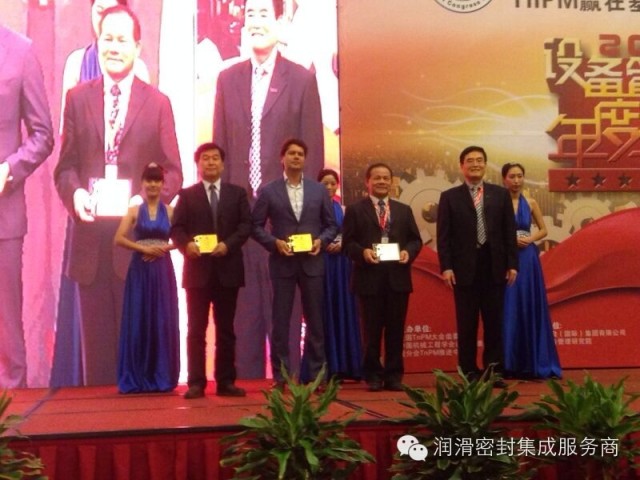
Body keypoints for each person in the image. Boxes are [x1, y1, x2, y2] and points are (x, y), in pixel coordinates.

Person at [54, 5, 183, 386]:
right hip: (90, 249)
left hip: (137, 249)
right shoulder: (77, 99)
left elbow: (173, 171)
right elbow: (65, 167)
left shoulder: (157, 103)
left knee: (137, 364)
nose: (113, 47)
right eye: (107, 38)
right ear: (98, 42)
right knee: (98, 370)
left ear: (137, 47)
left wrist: (145, 201)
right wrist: (75, 194)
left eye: (122, 40)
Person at [213, 0, 324, 379]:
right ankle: (241, 398)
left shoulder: (302, 79)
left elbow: (312, 152)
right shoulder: (227, 79)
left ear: (280, 21)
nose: (255, 22)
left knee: (286, 317)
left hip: (286, 223)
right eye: (250, 14)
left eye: (263, 14)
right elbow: (219, 153)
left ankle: (289, 394)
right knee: (242, 318)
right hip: (241, 223)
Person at [251, 139, 337, 388]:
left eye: (300, 153)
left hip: (312, 262)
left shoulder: (318, 190)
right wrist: (274, 243)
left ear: (305, 159)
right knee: (280, 321)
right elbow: (255, 226)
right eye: (291, 153)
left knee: (315, 321)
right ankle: (281, 376)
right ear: (283, 158)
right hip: (282, 263)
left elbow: (331, 225)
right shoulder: (269, 190)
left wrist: (321, 241)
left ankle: (317, 375)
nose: (296, 157)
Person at [171, 143, 251, 398]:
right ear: (198, 164)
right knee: (196, 329)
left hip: (228, 270)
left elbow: (245, 226)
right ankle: (196, 382)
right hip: (197, 271)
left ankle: (226, 381)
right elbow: (177, 228)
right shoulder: (187, 195)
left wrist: (228, 245)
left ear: (223, 164)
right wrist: (187, 245)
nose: (211, 162)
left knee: (226, 329)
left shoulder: (237, 194)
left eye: (215, 158)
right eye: (205, 158)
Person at [0, 25, 54, 388]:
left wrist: (8, 169)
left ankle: (10, 410)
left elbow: (43, 134)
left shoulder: (20, 50)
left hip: (3, 214)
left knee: (6, 328)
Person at [436, 146, 518, 387]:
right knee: (467, 324)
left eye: (480, 160)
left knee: (494, 323)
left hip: (494, 267)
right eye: (470, 160)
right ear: (461, 166)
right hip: (464, 269)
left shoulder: (500, 195)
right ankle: (468, 371)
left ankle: (494, 371)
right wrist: (446, 267)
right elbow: (444, 237)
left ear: (485, 165)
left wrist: (512, 264)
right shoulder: (449, 197)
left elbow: (509, 232)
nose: (475, 164)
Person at [342, 163, 422, 392]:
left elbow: (415, 240)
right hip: (368, 279)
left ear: (391, 182)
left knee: (396, 331)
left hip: (397, 279)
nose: (382, 182)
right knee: (371, 332)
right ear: (367, 182)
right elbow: (348, 244)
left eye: (386, 178)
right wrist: (362, 253)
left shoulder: (403, 210)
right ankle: (373, 376)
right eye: (377, 178)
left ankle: (394, 375)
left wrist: (408, 252)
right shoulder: (355, 210)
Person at [113, 163, 179, 393]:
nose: (153, 185)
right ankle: (136, 376)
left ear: (162, 184)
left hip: (162, 270)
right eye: (149, 180)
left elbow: (184, 239)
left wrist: (163, 249)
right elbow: (119, 238)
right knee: (138, 320)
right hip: (139, 271)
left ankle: (161, 375)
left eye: (157, 180)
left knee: (161, 320)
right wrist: (143, 248)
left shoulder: (170, 211)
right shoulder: (133, 211)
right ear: (142, 183)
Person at [501, 163, 562, 379]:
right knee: (509, 307)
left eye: (520, 176)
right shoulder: (498, 203)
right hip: (506, 258)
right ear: (504, 179)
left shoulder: (531, 202)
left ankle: (534, 363)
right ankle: (508, 364)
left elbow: (543, 230)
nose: (516, 180)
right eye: (512, 176)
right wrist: (510, 239)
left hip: (528, 259)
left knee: (529, 303)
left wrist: (530, 238)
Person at [316, 169, 362, 381]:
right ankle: (325, 366)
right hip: (322, 262)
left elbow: (352, 236)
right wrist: (323, 244)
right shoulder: (312, 209)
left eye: (332, 183)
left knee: (345, 309)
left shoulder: (344, 209)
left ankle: (348, 365)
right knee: (324, 310)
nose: (329, 187)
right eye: (325, 183)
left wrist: (342, 244)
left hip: (343, 264)